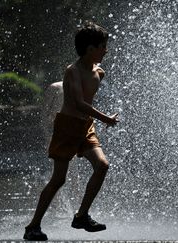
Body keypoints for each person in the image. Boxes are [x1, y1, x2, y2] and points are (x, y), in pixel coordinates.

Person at [23, 22, 119, 241]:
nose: (106, 50)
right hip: (67, 127)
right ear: (89, 49)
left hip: (85, 128)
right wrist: (105, 118)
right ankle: (33, 226)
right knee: (59, 179)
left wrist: (97, 120)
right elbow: (77, 103)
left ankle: (82, 215)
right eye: (103, 46)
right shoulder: (72, 71)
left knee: (102, 165)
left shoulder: (99, 72)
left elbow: (88, 100)